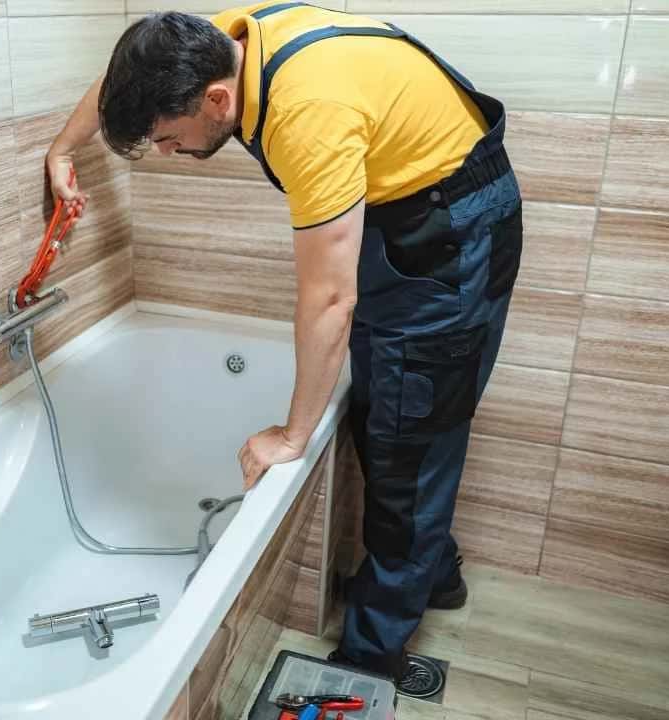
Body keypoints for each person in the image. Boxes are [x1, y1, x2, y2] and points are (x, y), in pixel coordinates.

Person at [42, 1, 523, 688]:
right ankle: (433, 573)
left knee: (407, 437)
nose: (171, 156)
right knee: (389, 413)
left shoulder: (307, 114)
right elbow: (120, 82)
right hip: (410, 210)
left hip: (453, 232)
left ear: (215, 99)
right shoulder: (220, 41)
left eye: (171, 139)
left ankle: (371, 658)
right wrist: (63, 149)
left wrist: (293, 436)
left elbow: (329, 298)